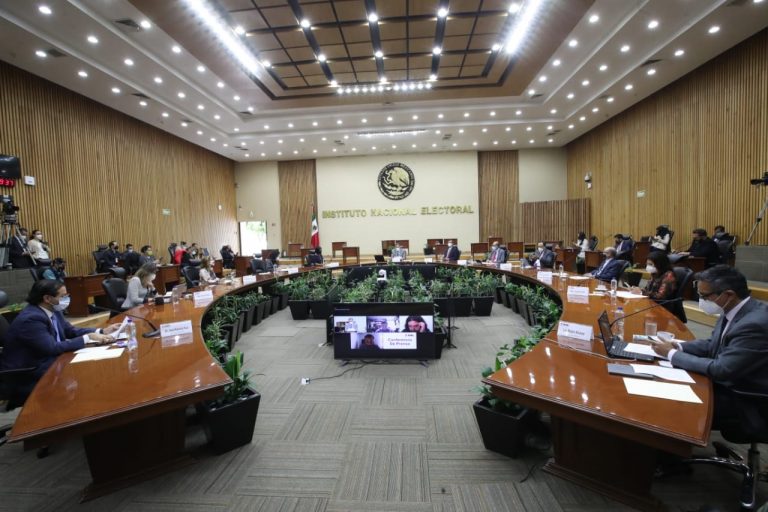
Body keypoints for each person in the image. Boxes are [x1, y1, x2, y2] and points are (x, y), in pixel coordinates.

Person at [652, 266, 768, 432]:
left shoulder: (754, 324)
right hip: (727, 385)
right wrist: (678, 346)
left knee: (668, 405)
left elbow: (721, 369)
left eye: (704, 296)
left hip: (745, 399)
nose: (701, 300)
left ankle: (669, 453)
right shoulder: (734, 308)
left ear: (728, 295)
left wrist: (671, 354)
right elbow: (712, 344)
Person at [0, 280, 118, 404]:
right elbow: (52, 348)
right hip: (29, 372)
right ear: (47, 298)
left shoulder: (53, 310)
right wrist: (87, 338)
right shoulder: (31, 319)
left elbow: (70, 331)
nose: (66, 299)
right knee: (83, 380)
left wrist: (101, 331)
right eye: (63, 296)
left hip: (50, 362)